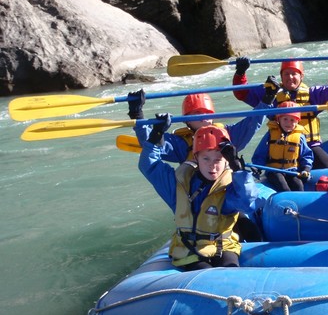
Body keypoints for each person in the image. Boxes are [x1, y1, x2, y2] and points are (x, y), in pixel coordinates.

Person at [136, 121, 267, 270]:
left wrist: (239, 170)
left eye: (218, 160)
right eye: (206, 159)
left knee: (230, 270)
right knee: (205, 271)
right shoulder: (177, 184)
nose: (212, 165)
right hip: (187, 249)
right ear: (196, 158)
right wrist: (155, 136)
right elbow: (149, 166)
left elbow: (247, 203)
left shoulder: (229, 187)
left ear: (226, 162)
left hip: (223, 247)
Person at [232, 54, 328, 169]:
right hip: (281, 146)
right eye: (286, 74)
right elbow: (242, 93)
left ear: (301, 76)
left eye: (294, 73)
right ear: (281, 76)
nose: (290, 77)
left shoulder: (313, 94)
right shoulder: (270, 93)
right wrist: (240, 73)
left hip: (308, 145)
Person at [127, 83, 277, 163]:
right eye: (197, 113)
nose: (203, 116)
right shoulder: (180, 143)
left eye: (206, 112)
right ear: (187, 120)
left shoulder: (228, 134)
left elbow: (253, 122)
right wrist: (137, 114)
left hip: (225, 188)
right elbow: (150, 144)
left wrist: (267, 99)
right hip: (197, 191)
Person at [251, 101, 314, 192]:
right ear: (278, 119)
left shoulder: (300, 137)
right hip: (273, 170)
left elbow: (306, 154)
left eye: (292, 120)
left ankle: (298, 204)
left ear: (297, 122)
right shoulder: (271, 134)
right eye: (285, 119)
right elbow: (261, 152)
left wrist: (306, 169)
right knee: (284, 187)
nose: (288, 123)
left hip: (292, 170)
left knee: (298, 185)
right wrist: (257, 167)